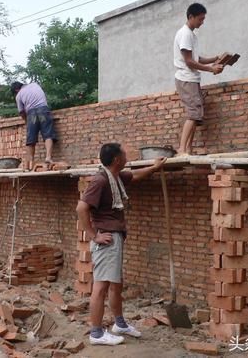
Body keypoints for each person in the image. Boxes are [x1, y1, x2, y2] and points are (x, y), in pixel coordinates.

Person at [76, 143, 165, 346]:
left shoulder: (115, 177)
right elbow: (81, 208)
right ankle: (97, 333)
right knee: (100, 287)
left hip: (115, 237)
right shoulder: (100, 180)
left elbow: (135, 175)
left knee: (116, 284)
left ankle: (120, 324)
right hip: (106, 239)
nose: (127, 155)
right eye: (124, 153)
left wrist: (154, 167)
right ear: (117, 159)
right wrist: (93, 235)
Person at [174, 3, 225, 156]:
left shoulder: (191, 34)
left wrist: (215, 59)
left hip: (192, 79)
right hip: (186, 79)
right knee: (192, 114)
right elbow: (189, 62)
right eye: (200, 19)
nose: (202, 22)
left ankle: (188, 149)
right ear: (191, 17)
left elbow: (196, 59)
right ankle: (182, 149)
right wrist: (212, 69)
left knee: (196, 116)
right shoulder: (185, 34)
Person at [11, 82, 57, 170]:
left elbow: (21, 112)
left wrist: (26, 121)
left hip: (32, 115)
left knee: (31, 139)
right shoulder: (35, 84)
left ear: (16, 90)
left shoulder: (19, 95)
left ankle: (30, 163)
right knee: (48, 134)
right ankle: (48, 157)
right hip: (43, 111)